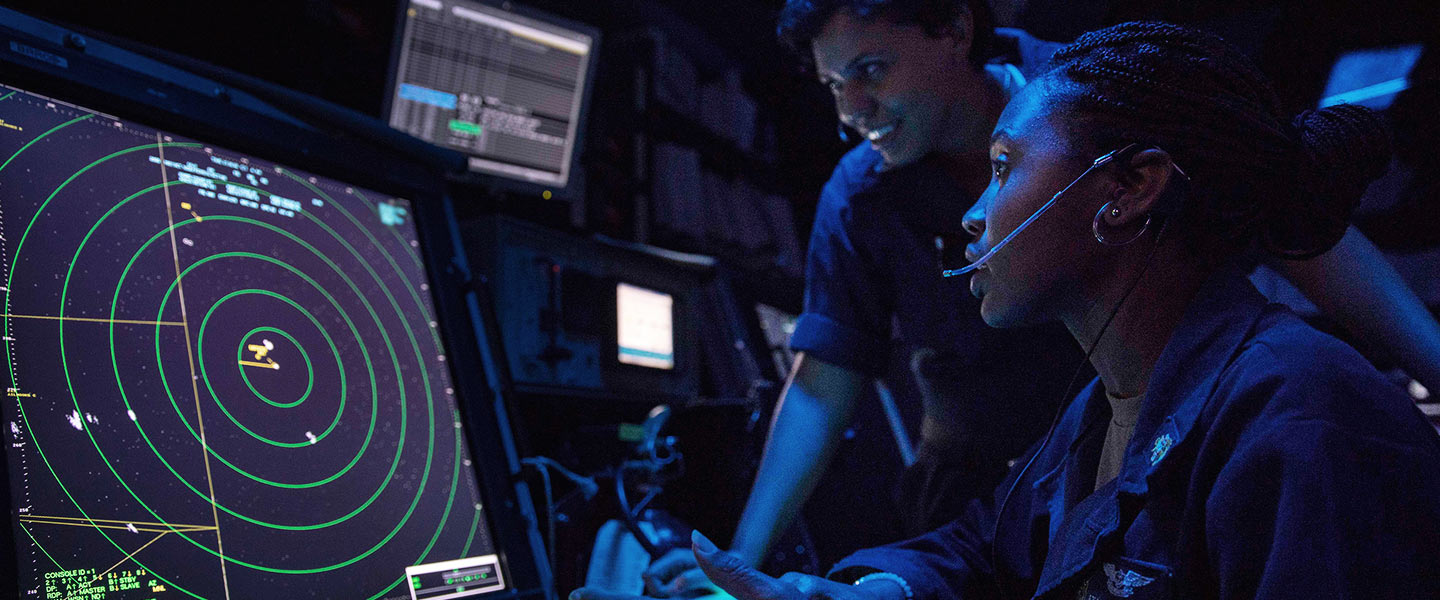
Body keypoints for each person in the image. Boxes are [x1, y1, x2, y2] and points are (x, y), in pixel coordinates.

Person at [576, 21, 1440, 600]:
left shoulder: (1303, 424)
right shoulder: (1097, 416)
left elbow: (1301, 217)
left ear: (1130, 187)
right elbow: (989, 544)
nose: (970, 216)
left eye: (1003, 167)